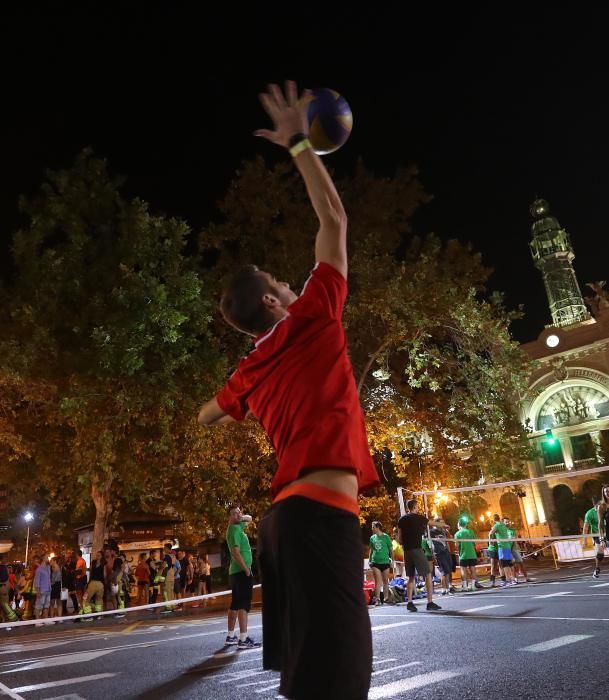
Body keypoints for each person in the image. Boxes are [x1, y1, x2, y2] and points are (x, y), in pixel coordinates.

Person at [198, 81, 378, 700]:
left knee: (310, 681)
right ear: (275, 302)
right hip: (319, 521)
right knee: (340, 680)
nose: (293, 285)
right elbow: (334, 217)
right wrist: (301, 141)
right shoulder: (312, 317)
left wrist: (234, 395)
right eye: (283, 282)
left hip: (284, 526)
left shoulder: (249, 373)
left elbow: (206, 415)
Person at [397, 499, 447, 612]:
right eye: (417, 506)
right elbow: (432, 523)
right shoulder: (419, 518)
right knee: (428, 574)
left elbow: (399, 537)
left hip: (407, 551)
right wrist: (444, 525)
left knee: (411, 577)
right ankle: (430, 602)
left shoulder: (402, 519)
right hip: (416, 549)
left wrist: (404, 544)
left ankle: (409, 602)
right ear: (414, 507)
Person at [225, 506, 258, 646]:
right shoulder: (233, 530)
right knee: (244, 605)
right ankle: (243, 639)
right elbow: (235, 552)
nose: (238, 515)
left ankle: (230, 636)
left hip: (235, 573)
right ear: (229, 518)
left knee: (235, 604)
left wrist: (241, 516)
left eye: (239, 512)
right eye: (234, 513)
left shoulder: (238, 527)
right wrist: (246, 569)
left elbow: (250, 518)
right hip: (241, 572)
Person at [368, 522, 394, 606]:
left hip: (385, 562)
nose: (372, 529)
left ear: (377, 527)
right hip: (375, 562)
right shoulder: (372, 538)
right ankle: (378, 599)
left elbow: (391, 550)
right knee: (378, 581)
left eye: (373, 527)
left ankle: (386, 598)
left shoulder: (386, 537)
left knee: (385, 581)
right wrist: (369, 560)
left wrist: (392, 561)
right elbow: (371, 550)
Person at [455, 519, 483, 591]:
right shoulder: (471, 532)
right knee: (473, 570)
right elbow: (474, 543)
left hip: (463, 555)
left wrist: (458, 554)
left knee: (463, 571)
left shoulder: (457, 534)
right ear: (466, 524)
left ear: (459, 524)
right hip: (472, 554)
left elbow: (457, 545)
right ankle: (473, 586)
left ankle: (465, 587)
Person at [582, 498, 606, 579]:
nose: (603, 505)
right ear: (596, 505)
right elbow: (585, 528)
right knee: (600, 554)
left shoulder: (606, 509)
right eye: (601, 504)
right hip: (597, 534)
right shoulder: (589, 513)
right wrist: (584, 540)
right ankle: (597, 569)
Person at [490, 514, 515, 586]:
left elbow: (491, 533)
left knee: (505, 564)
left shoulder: (496, 525)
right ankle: (512, 579)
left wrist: (491, 542)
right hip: (507, 546)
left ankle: (508, 580)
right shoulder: (504, 525)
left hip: (502, 546)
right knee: (509, 563)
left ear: (494, 520)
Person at [505, 518, 530, 583]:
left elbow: (514, 540)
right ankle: (515, 579)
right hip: (507, 549)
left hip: (515, 549)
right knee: (512, 565)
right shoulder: (503, 531)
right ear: (503, 523)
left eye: (508, 522)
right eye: (506, 522)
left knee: (521, 563)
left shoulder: (513, 530)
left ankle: (526, 577)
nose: (507, 523)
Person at [83, 551, 105, 618]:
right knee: (99, 599)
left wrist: (88, 583)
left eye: (98, 555)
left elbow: (91, 573)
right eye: (97, 555)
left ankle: (88, 615)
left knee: (85, 598)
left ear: (101, 556)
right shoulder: (103, 563)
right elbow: (105, 575)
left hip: (93, 583)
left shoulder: (94, 562)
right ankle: (99, 614)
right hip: (100, 584)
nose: (97, 556)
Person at [0, 556, 16, 622]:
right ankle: (13, 618)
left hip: (2, 588)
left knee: (2, 605)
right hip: (3, 588)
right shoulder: (3, 567)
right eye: (5, 558)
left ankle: (3, 619)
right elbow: (4, 579)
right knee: (5, 604)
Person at [49, 555, 62, 620]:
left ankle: (52, 617)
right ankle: (58, 617)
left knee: (53, 602)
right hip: (57, 585)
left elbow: (54, 580)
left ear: (54, 561)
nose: (50, 562)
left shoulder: (56, 568)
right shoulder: (55, 568)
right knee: (58, 602)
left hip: (55, 585)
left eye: (51, 561)